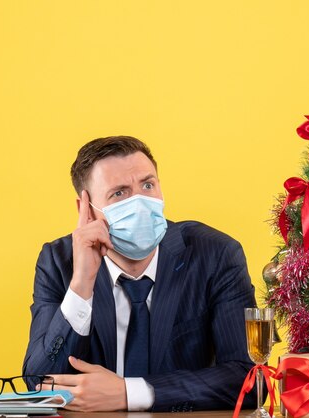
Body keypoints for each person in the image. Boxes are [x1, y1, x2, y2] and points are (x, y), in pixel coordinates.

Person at [23, 136, 258, 412]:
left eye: (148, 185)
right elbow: (39, 384)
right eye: (119, 193)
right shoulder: (58, 262)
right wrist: (82, 284)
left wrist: (129, 393)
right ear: (85, 209)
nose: (140, 202)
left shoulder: (216, 255)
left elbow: (249, 380)